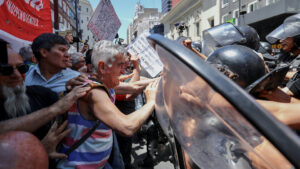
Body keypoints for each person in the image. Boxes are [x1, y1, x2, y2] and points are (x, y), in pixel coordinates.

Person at [57, 40, 158, 169]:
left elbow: (133, 86)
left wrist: (161, 80)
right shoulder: (94, 91)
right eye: (120, 65)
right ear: (102, 67)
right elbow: (127, 127)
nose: (124, 71)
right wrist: (151, 101)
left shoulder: (104, 84)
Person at [0, 39, 91, 159]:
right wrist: (39, 149)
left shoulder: (41, 94)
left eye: (22, 68)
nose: (16, 75)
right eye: (7, 70)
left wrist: (69, 89)